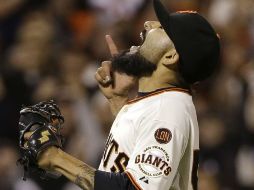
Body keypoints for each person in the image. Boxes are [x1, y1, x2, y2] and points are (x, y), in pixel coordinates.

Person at [23, 0, 220, 189]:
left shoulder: (166, 111)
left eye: (161, 28)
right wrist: (119, 103)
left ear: (170, 56)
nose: (148, 23)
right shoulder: (164, 103)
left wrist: (56, 158)